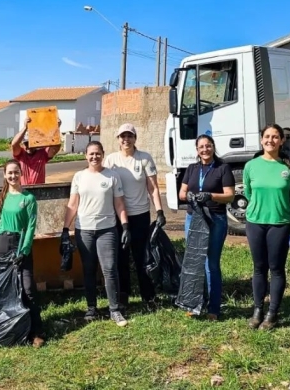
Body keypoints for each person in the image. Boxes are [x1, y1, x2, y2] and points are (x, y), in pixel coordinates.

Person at [62, 141, 130, 327]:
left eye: (98, 153)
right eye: (91, 154)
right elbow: (72, 204)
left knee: (109, 269)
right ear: (86, 155)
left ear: (103, 154)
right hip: (84, 230)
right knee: (89, 269)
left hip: (107, 229)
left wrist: (124, 226)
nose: (94, 157)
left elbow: (119, 204)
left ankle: (114, 309)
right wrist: (65, 229)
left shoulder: (112, 176)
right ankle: (91, 307)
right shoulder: (78, 177)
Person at [103, 123, 166, 310]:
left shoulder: (144, 158)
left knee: (141, 257)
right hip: (118, 217)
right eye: (122, 136)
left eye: (130, 136)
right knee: (121, 258)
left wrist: (160, 211)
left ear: (135, 138)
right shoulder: (111, 160)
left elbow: (153, 188)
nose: (126, 140)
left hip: (140, 215)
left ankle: (148, 297)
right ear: (117, 139)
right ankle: (123, 297)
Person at [242, 124, 290, 330]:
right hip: (255, 222)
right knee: (259, 268)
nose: (271, 140)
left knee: (276, 268)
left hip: (280, 223)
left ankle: (272, 313)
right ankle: (258, 310)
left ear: (282, 140)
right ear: (261, 140)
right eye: (267, 136)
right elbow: (248, 193)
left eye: (275, 137)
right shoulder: (251, 166)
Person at [0, 159, 44, 347]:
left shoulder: (28, 199)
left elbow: (30, 227)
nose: (13, 176)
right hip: (1, 245)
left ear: (21, 173)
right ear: (4, 175)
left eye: (16, 172)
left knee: (27, 289)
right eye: (9, 173)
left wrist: (24, 251)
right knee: (3, 289)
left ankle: (36, 331)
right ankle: (6, 329)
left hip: (19, 246)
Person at [177, 134, 235, 320]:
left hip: (215, 218)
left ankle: (214, 308)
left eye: (208, 146)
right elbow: (182, 193)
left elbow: (230, 195)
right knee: (194, 262)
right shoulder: (192, 168)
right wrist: (191, 197)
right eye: (201, 147)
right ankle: (193, 304)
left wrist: (210, 195)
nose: (205, 150)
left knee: (211, 264)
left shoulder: (223, 168)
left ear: (213, 147)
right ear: (197, 150)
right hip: (193, 219)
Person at [11, 116, 62, 184]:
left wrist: (56, 128)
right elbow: (14, 144)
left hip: (39, 189)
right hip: (24, 190)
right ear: (23, 144)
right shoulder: (20, 154)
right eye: (26, 144)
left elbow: (56, 146)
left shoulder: (43, 154)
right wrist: (25, 127)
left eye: (31, 144)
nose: (29, 146)